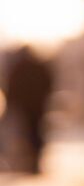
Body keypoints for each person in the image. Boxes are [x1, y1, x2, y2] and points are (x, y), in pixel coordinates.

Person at [3, 44, 53, 175]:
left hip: (26, 108)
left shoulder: (19, 67)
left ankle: (31, 160)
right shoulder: (38, 66)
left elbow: (11, 87)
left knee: (27, 133)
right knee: (35, 133)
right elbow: (48, 83)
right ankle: (33, 161)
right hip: (36, 107)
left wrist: (11, 104)